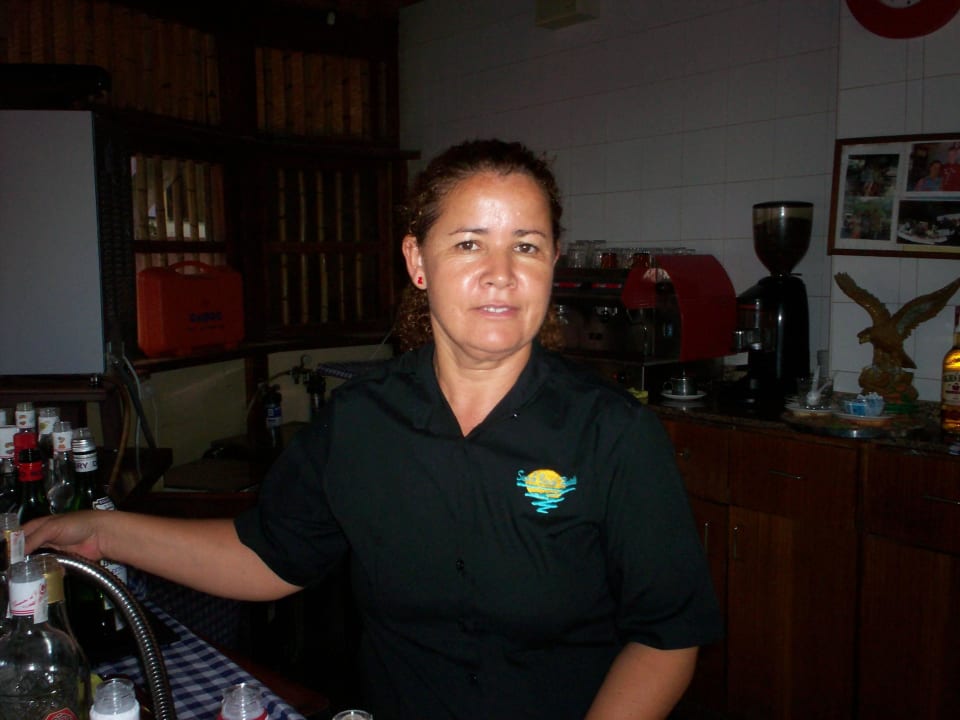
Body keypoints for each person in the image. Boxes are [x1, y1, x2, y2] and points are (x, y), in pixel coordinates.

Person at [24, 139, 722, 720]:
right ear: (418, 262)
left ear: (552, 262)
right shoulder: (361, 419)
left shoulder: (615, 433)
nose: (501, 274)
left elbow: (666, 638)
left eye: (527, 246)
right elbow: (266, 556)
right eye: (469, 243)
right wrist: (105, 532)